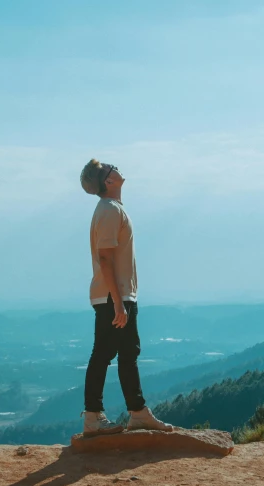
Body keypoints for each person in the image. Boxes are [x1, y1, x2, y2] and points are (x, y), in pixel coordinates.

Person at [78, 159, 174, 437]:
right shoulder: (108, 210)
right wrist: (118, 301)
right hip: (114, 296)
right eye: (111, 167)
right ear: (108, 181)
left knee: (125, 352)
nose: (116, 167)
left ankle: (135, 412)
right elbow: (105, 257)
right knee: (108, 354)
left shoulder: (111, 209)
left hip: (116, 294)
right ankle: (99, 416)